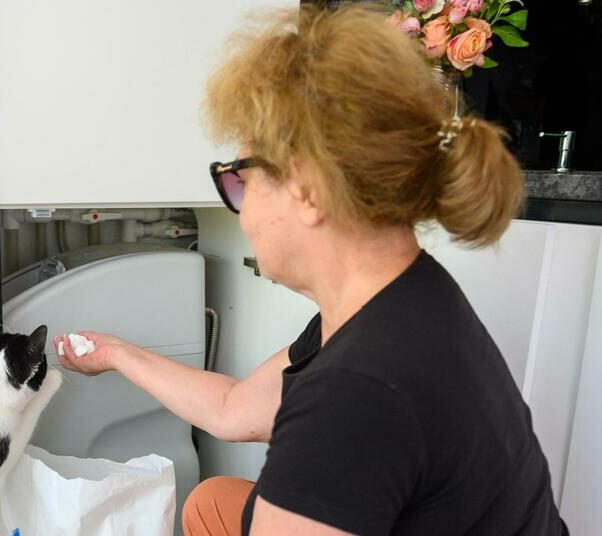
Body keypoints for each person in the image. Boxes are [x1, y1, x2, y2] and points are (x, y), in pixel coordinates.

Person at [54, 4, 568, 536]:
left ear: (306, 189)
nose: (243, 213)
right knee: (211, 503)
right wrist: (117, 353)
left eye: (240, 180)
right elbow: (233, 409)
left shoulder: (353, 393)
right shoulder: (401, 295)